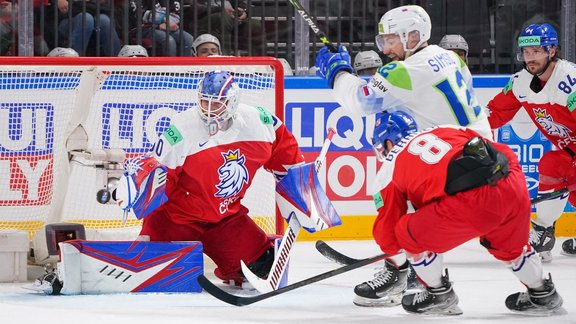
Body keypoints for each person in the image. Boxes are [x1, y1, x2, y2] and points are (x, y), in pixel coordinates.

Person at [315, 4, 492, 307]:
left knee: (388, 193)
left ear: (412, 37)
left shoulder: (407, 69)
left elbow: (362, 101)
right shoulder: (448, 56)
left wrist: (338, 73)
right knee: (396, 192)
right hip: (479, 147)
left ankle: (404, 270)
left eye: (391, 39)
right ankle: (403, 266)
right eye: (383, 40)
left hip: (454, 157)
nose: (385, 47)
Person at [114, 71, 305, 286]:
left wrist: (303, 190)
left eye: (216, 104)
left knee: (266, 268)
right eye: (204, 102)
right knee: (150, 277)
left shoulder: (259, 122)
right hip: (176, 220)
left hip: (225, 221)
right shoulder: (182, 127)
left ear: (231, 102)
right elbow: (159, 171)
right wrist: (138, 186)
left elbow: (286, 153)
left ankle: (231, 267)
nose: (208, 110)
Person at [367, 110, 563, 315]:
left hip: (472, 201)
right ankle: (543, 294)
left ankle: (438, 294)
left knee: (406, 233)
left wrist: (396, 259)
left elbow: (388, 235)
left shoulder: (388, 170)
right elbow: (488, 146)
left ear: (387, 141)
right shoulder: (444, 128)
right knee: (508, 247)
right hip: (511, 176)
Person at [487, 23, 576, 261]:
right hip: (570, 152)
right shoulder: (521, 82)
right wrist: (464, 129)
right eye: (526, 52)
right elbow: (494, 114)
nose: (530, 58)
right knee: (552, 164)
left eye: (536, 51)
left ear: (552, 51)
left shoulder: (570, 81)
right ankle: (543, 233)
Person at [55, 0, 122, 56]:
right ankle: (72, 63)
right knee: (86, 19)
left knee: (104, 20)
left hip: (95, 12)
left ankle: (120, 65)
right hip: (66, 18)